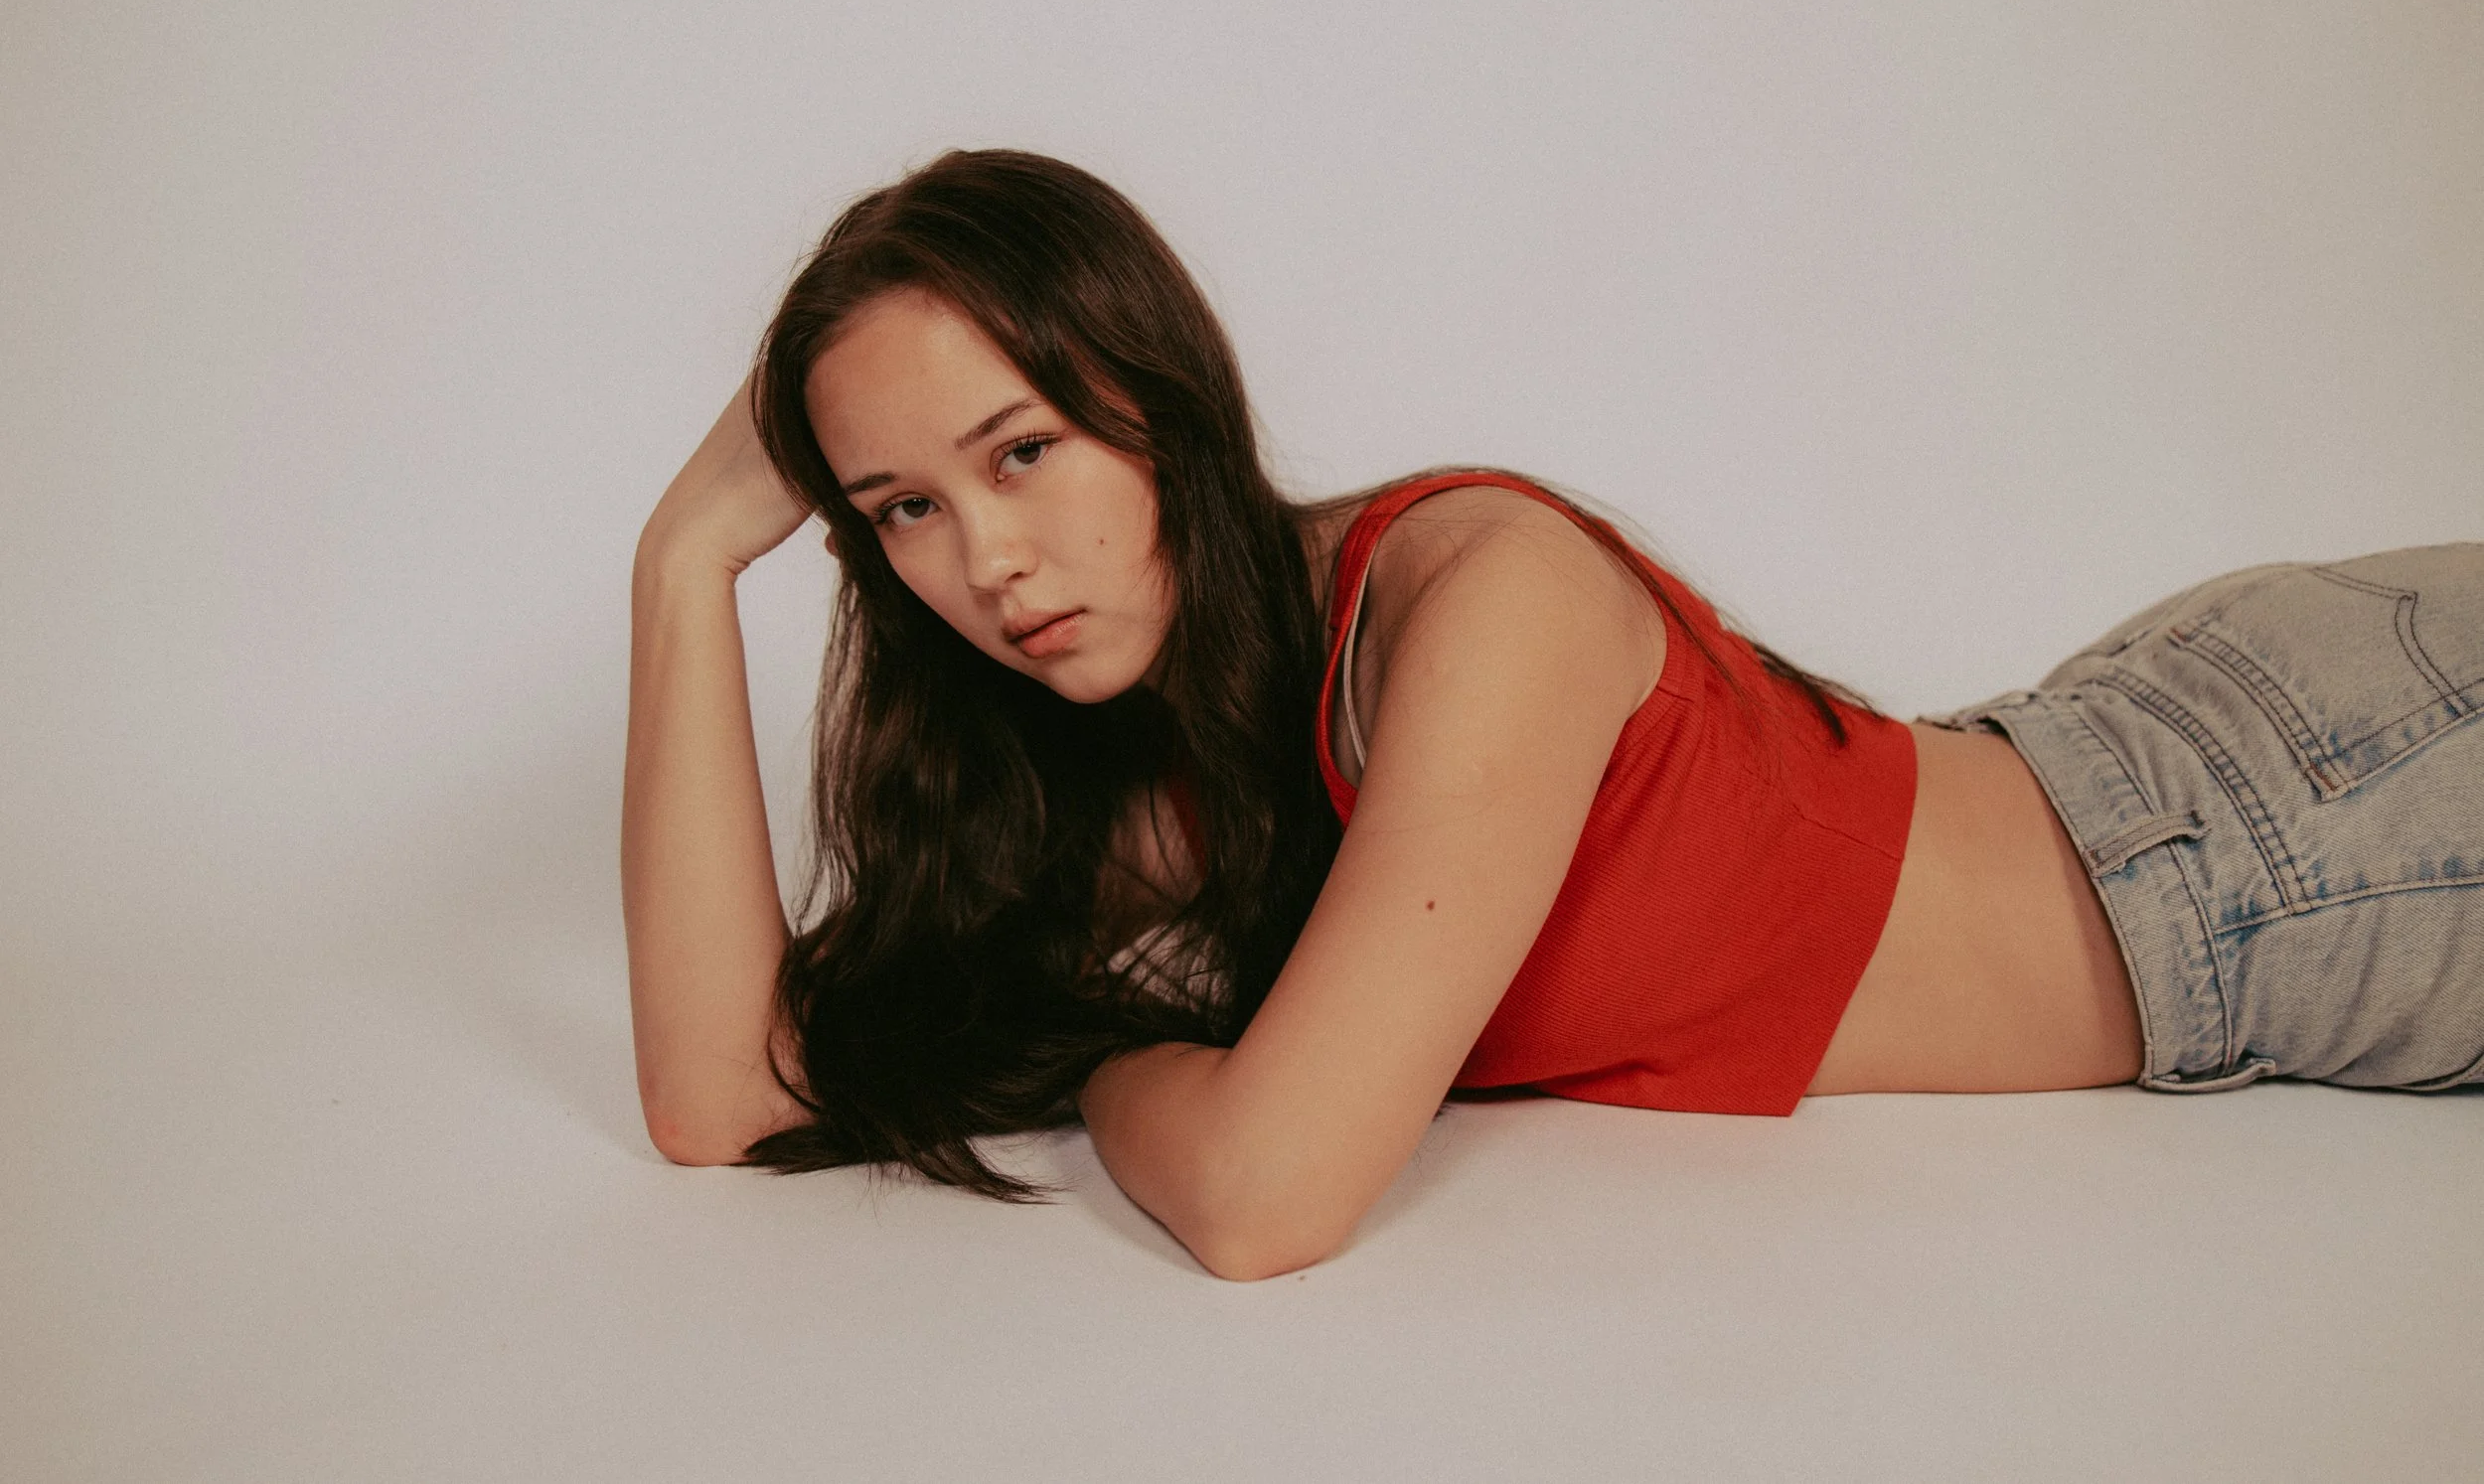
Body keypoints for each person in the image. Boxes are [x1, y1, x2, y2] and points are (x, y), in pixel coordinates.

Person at [623, 149, 2484, 1280]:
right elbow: (725, 1092)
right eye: (904, 513)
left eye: (1020, 452)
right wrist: (686, 560)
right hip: (2176, 762)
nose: (991, 561)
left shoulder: (1481, 598)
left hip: (2296, 841)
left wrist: (1119, 1064)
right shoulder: (1142, 777)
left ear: (1160, 398)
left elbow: (1271, 1191)